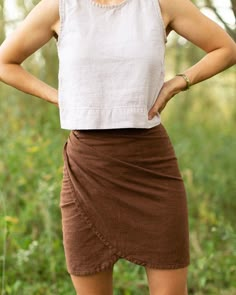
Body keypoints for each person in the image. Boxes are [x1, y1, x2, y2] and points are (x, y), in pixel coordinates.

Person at [0, 0, 235, 294]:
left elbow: (226, 49)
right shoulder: (60, 6)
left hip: (151, 167)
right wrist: (59, 98)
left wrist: (178, 82)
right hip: (87, 169)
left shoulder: (161, 3)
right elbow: (5, 62)